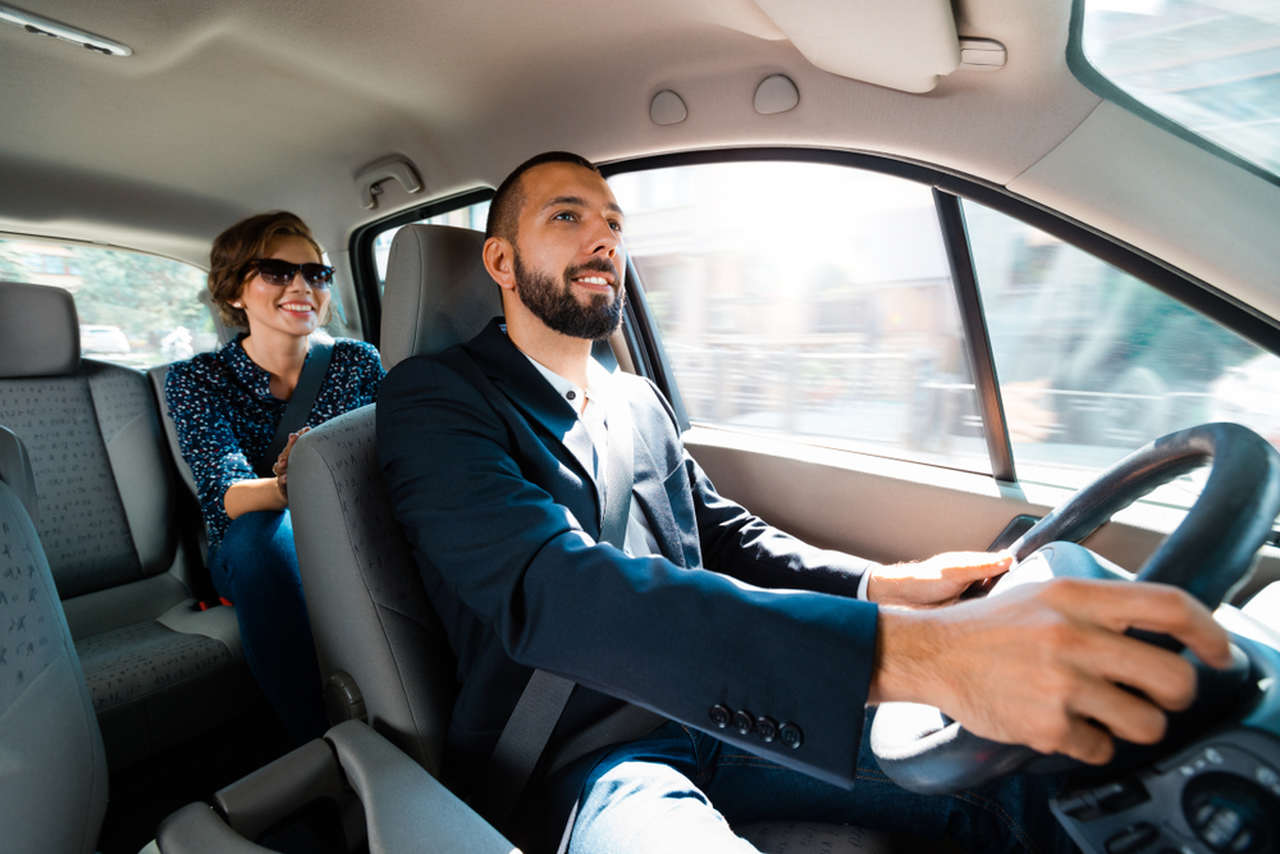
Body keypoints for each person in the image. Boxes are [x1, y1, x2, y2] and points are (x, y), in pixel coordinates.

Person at [376, 153, 1231, 853]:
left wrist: (882, 586)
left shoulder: (632, 398)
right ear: (500, 261)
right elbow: (554, 591)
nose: (603, 235)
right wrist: (920, 654)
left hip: (726, 706)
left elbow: (724, 535)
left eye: (613, 222)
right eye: (567, 216)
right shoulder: (434, 400)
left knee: (1023, 774)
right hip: (590, 753)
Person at [167, 211, 384, 743]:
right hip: (252, 546)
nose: (302, 287)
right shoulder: (199, 379)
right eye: (276, 272)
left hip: (356, 528)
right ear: (235, 291)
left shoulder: (357, 362)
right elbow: (227, 496)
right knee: (260, 540)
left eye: (315, 274)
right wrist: (291, 487)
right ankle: (324, 742)